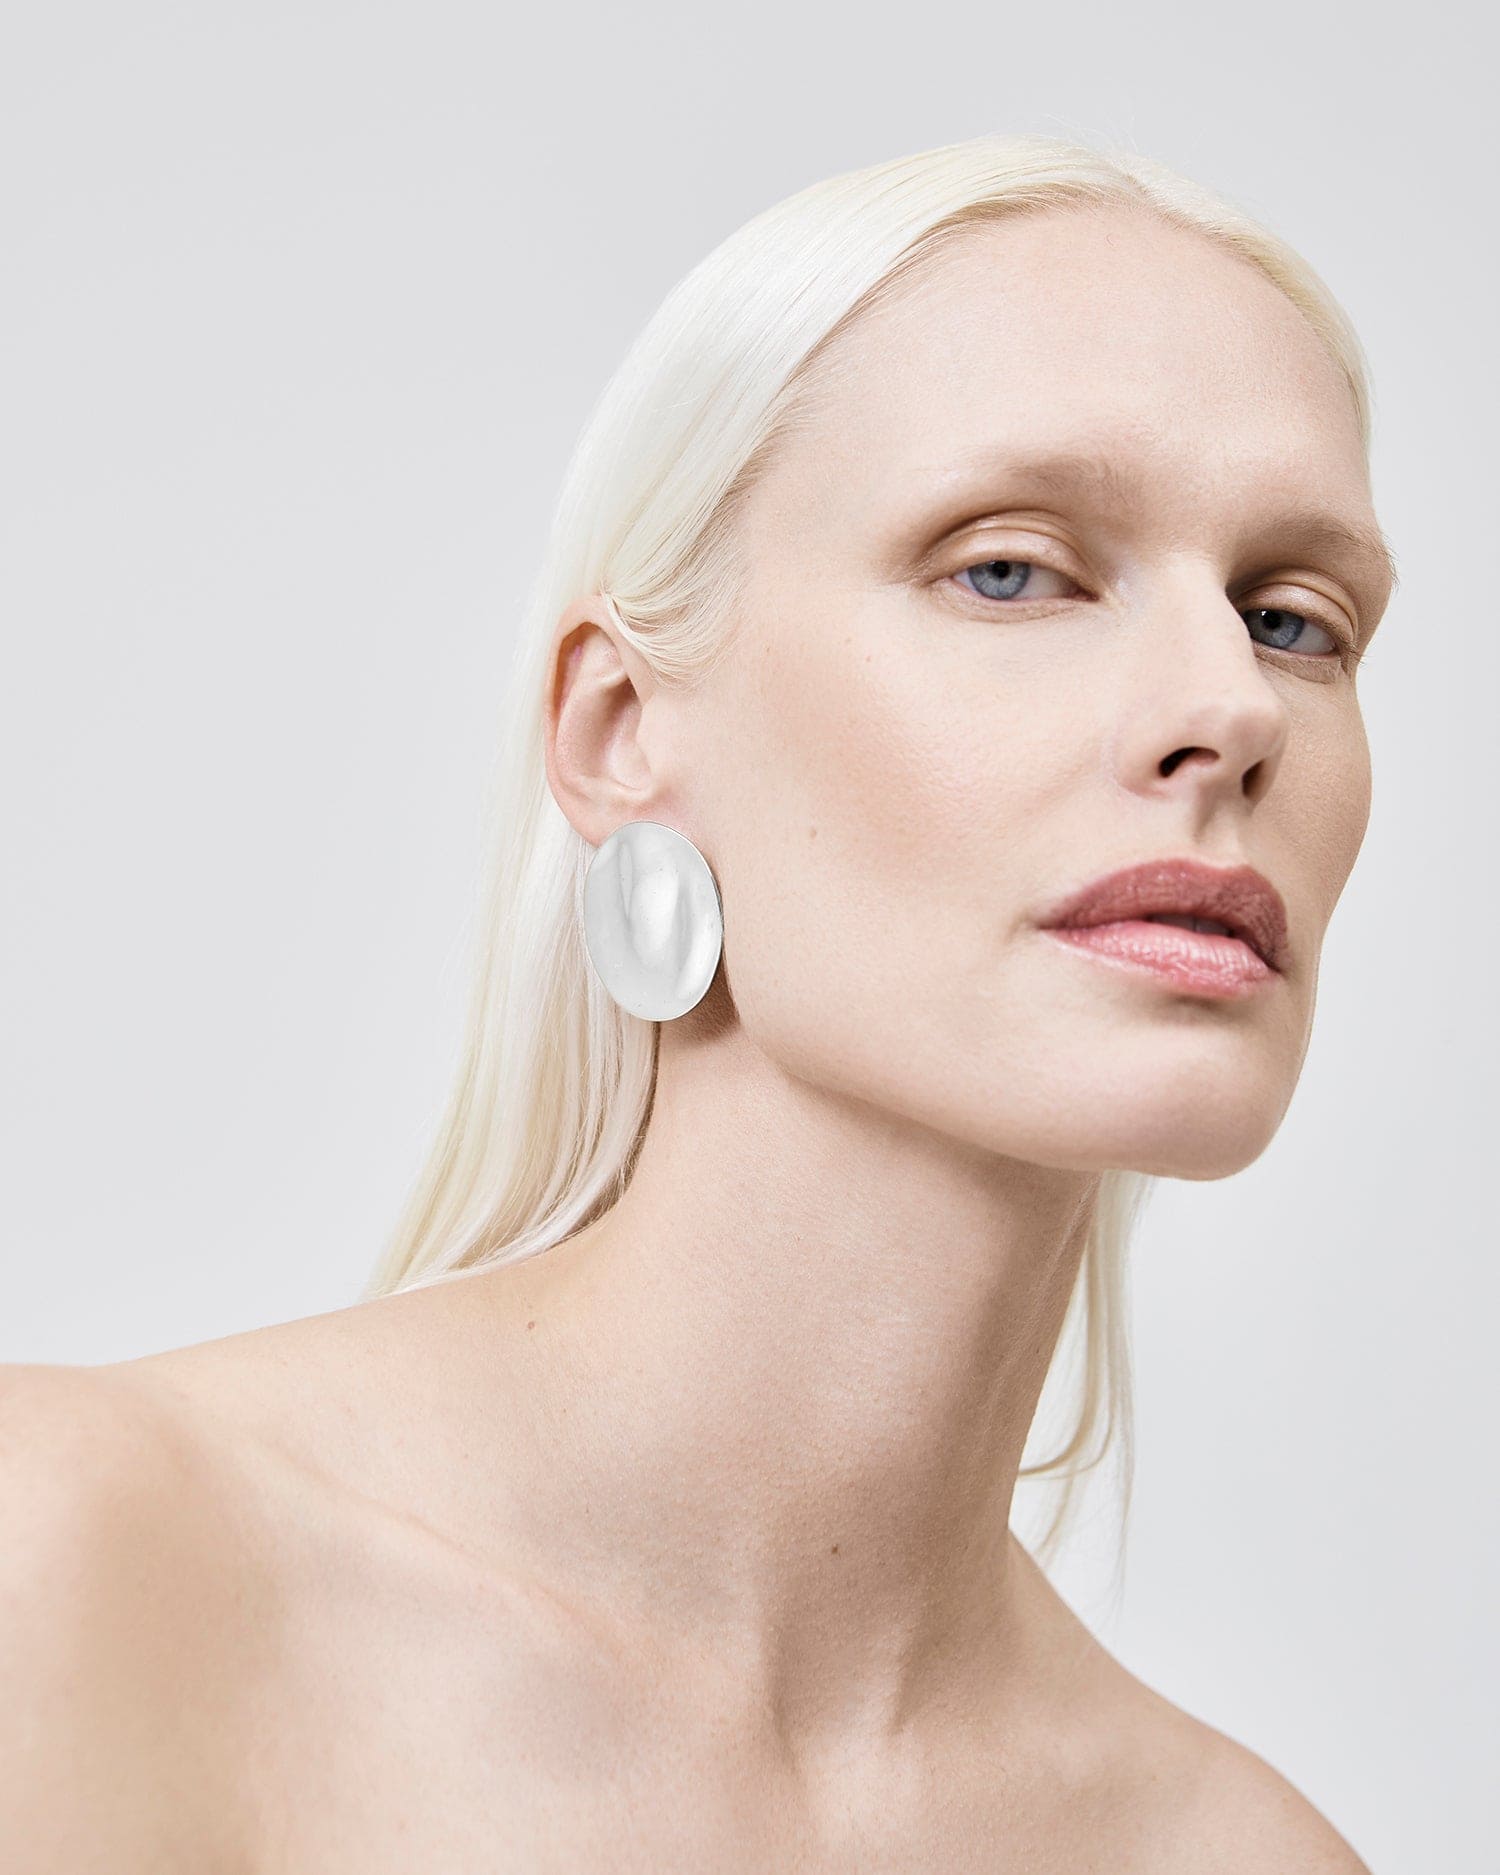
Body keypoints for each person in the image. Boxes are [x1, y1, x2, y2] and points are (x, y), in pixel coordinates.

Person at [2, 133, 1395, 1869]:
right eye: (1010, 569)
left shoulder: (1242, 1857)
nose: (1232, 708)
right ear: (620, 731)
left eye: (1294, 618)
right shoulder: (82, 1568)